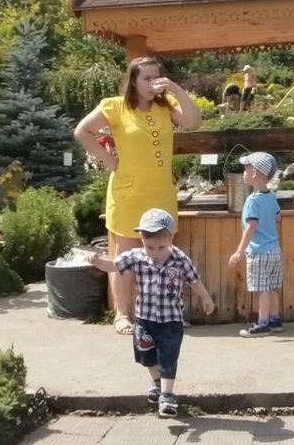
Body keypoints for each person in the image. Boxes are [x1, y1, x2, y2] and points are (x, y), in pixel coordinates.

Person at [74, 56, 202, 334]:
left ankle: (165, 313)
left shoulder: (165, 106)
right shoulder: (115, 106)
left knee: (163, 255)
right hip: (129, 191)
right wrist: (110, 161)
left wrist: (176, 90)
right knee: (125, 255)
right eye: (146, 78)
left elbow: (193, 122)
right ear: (133, 80)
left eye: (157, 77)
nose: (152, 83)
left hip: (160, 191)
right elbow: (82, 131)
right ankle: (122, 314)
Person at [86, 209, 215, 417]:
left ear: (171, 238)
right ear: (142, 240)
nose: (155, 252)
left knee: (168, 356)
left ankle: (167, 396)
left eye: (161, 247)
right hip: (145, 319)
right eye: (150, 247)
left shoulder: (179, 259)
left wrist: (205, 296)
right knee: (146, 355)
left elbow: (193, 279)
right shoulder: (136, 257)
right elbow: (113, 265)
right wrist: (97, 261)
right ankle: (157, 382)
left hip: (171, 320)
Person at [228, 151, 283, 337]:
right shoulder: (271, 196)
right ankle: (275, 320)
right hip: (275, 250)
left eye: (245, 169)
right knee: (273, 288)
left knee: (262, 290)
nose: (243, 172)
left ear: (254, 173)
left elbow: (251, 227)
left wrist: (239, 251)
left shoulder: (252, 200)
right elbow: (278, 217)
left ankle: (262, 324)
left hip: (259, 252)